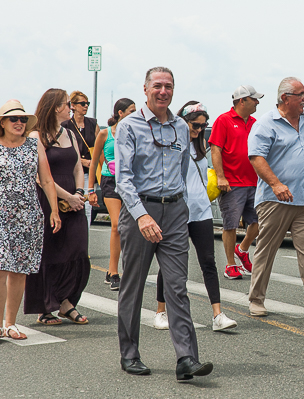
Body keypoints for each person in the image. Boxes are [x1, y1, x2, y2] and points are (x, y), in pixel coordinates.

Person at [115, 67, 212, 380]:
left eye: (168, 86)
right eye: (157, 86)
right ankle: (129, 354)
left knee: (176, 286)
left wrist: (177, 205)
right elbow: (123, 178)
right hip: (139, 210)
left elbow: (182, 169)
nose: (163, 91)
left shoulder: (181, 127)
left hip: (174, 212)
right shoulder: (129, 126)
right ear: (145, 89)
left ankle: (186, 358)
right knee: (133, 285)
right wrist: (142, 214)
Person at [247, 77, 304, 319]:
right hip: (275, 200)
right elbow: (256, 157)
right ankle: (256, 299)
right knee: (266, 250)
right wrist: (276, 183)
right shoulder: (265, 124)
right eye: (301, 95)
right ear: (285, 98)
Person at [153, 101, 237, 332]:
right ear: (181, 121)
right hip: (176, 211)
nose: (199, 129)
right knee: (169, 264)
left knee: (208, 262)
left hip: (200, 210)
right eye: (195, 124)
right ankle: (161, 311)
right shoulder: (170, 144)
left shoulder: (201, 147)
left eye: (202, 126)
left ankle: (217, 315)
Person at [24, 88, 91, 326]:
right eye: (67, 104)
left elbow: (76, 169)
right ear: (55, 107)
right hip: (48, 199)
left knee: (77, 251)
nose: (71, 107)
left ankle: (65, 300)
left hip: (74, 201)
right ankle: (48, 305)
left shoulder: (70, 134)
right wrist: (66, 197)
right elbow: (41, 177)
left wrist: (79, 194)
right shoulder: (35, 136)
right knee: (50, 253)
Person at [0, 100, 61, 340]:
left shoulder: (34, 145)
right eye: (13, 119)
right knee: (2, 267)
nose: (19, 123)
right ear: (2, 122)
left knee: (20, 270)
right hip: (1, 215)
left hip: (28, 216)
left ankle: (10, 323)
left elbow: (46, 180)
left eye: (23, 119)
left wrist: (54, 210)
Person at [208, 85, 263, 279]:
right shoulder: (223, 120)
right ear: (242, 101)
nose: (258, 102)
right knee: (230, 225)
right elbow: (216, 150)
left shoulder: (256, 123)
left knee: (259, 222)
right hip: (232, 183)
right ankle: (230, 265)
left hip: (254, 182)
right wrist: (221, 177)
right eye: (254, 99)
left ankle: (243, 248)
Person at [88, 98, 136, 291]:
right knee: (117, 225)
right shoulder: (105, 134)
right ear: (120, 113)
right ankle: (113, 271)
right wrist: (90, 189)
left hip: (131, 182)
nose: (135, 113)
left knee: (130, 228)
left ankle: (127, 271)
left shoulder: (135, 133)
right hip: (110, 181)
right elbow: (93, 163)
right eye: (131, 111)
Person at [62, 91, 100, 227]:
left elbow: (98, 146)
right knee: (70, 206)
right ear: (73, 106)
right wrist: (82, 161)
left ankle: (85, 239)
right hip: (71, 172)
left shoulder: (93, 123)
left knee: (87, 208)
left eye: (87, 103)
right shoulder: (65, 125)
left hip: (88, 173)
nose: (86, 106)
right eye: (82, 103)